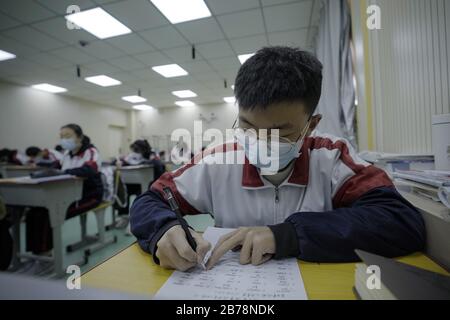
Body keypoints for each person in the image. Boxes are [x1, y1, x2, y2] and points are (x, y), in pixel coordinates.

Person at [130, 46, 425, 272]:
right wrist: (163, 230)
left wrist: (288, 235)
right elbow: (149, 201)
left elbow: (399, 221)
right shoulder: (217, 161)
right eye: (247, 126)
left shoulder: (333, 158)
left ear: (311, 124)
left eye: (279, 132)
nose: (259, 141)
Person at [23, 124, 103, 275]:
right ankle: (36, 256)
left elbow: (89, 169)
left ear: (79, 137)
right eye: (61, 137)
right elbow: (55, 167)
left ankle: (46, 260)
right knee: (33, 212)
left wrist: (63, 172)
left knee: (48, 214)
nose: (63, 140)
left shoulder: (90, 151)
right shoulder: (67, 154)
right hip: (67, 195)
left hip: (89, 196)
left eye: (67, 136)